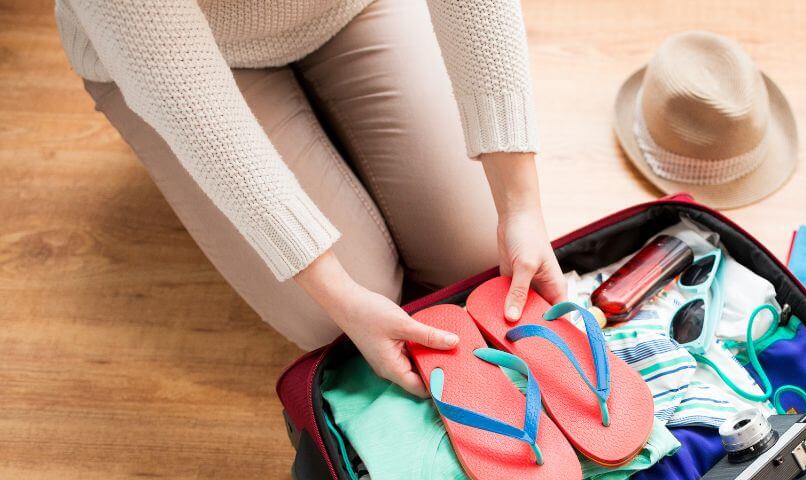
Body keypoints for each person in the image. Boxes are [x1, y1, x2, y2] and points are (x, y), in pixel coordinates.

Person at [55, 0, 567, 395]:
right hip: (168, 59)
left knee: (476, 257)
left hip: (343, 10)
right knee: (325, 320)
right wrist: (338, 292)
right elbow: (175, 83)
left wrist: (520, 205)